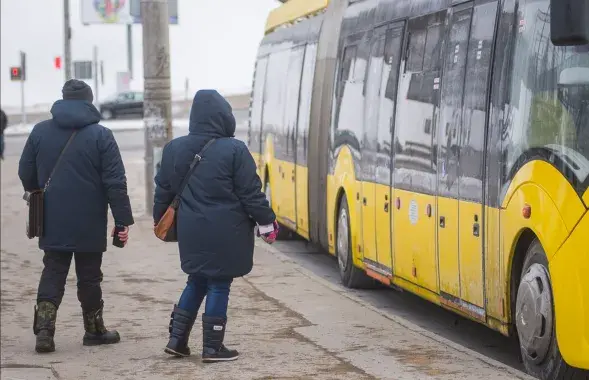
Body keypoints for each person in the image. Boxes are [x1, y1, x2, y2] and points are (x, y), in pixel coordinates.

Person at [154, 89, 278, 362]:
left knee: (196, 279)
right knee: (220, 283)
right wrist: (267, 221)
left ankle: (177, 341)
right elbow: (251, 192)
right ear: (224, 117)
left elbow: (163, 191)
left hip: (191, 230)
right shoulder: (234, 150)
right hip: (227, 230)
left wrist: (159, 222)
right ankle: (212, 347)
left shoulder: (174, 148)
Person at [18, 79, 134, 353]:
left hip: (52, 216)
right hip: (90, 219)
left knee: (53, 270)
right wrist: (121, 221)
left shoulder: (39, 131)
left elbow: (25, 170)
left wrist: (37, 190)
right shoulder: (101, 135)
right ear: (89, 101)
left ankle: (44, 332)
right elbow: (115, 182)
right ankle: (94, 331)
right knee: (90, 276)